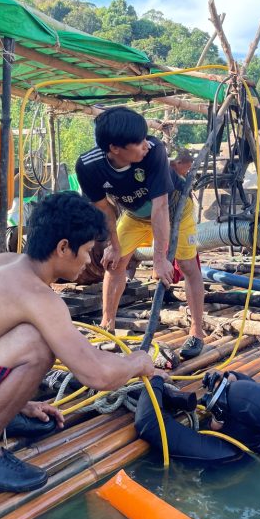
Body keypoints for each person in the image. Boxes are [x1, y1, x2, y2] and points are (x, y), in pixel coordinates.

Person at [0, 192, 157, 493]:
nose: (90, 260)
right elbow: (97, 374)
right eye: (86, 250)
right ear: (63, 248)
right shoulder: (36, 297)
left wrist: (17, 404)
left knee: (30, 335)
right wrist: (138, 361)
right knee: (37, 344)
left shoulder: (6, 262)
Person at [75, 107, 206, 360]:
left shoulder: (154, 150)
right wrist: (113, 244)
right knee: (114, 264)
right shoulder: (89, 166)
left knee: (188, 266)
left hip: (175, 208)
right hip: (134, 215)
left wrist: (160, 257)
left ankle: (197, 331)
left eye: (145, 138)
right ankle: (107, 325)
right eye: (138, 142)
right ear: (115, 148)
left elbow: (160, 208)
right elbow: (105, 210)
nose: (146, 144)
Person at [134, 370, 260, 463]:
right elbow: (254, 391)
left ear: (227, 423)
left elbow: (148, 422)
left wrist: (156, 380)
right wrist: (228, 378)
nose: (210, 415)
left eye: (215, 414)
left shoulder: (216, 453)